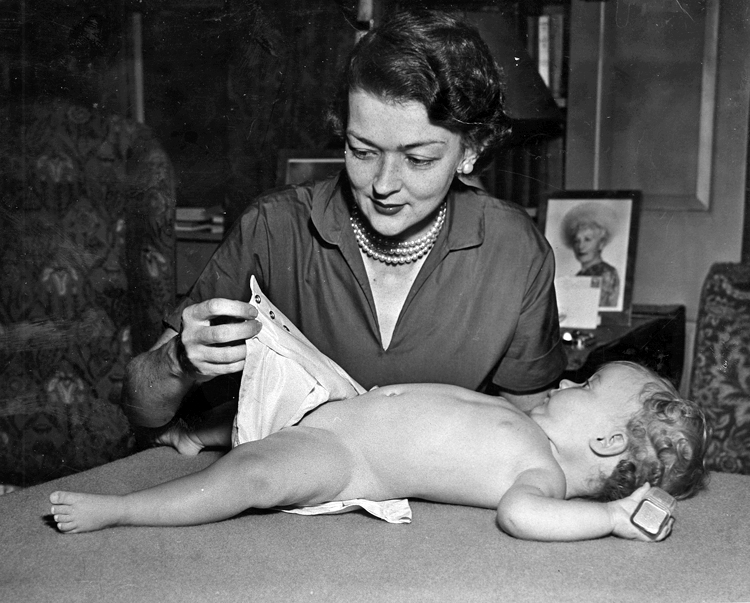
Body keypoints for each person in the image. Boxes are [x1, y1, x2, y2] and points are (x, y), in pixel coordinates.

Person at [121, 9, 567, 445]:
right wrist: (177, 362)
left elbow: (533, 429)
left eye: (418, 159)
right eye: (363, 151)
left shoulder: (514, 248)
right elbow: (141, 408)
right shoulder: (275, 228)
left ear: (470, 150)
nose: (384, 185)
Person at [50, 282, 709, 541]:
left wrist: (610, 517)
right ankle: (197, 431)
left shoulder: (539, 475)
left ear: (606, 440)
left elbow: (521, 515)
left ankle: (122, 509)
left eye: (587, 389)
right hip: (339, 402)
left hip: (347, 457)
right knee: (263, 362)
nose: (569, 384)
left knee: (250, 477)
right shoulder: (533, 423)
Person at [562, 205, 620, 308]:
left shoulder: (606, 273)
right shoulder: (579, 275)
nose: (580, 246)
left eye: (587, 239)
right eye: (577, 241)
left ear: (601, 243)